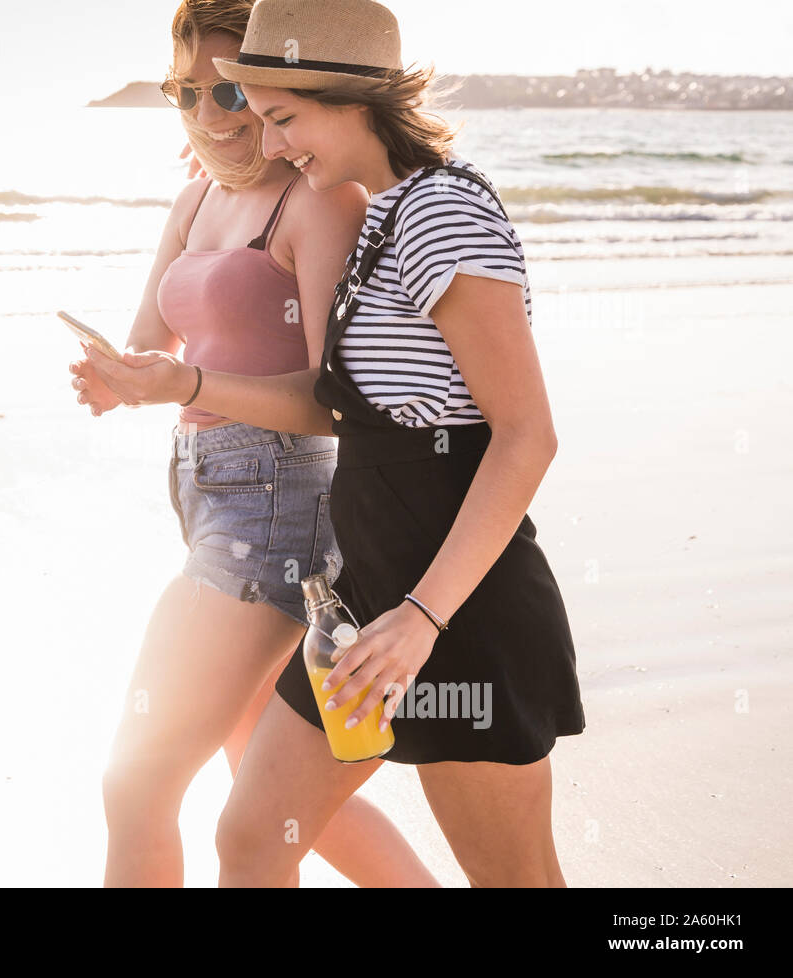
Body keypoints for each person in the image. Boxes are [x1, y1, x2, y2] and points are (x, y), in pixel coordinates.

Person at [87, 0, 586, 887]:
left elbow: (527, 436)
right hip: (362, 597)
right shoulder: (378, 217)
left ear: (353, 97)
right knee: (250, 838)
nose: (271, 143)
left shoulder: (442, 213)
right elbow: (334, 394)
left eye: (282, 117)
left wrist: (421, 620)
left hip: (454, 612)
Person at [73, 0, 438, 888]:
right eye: (187, 93)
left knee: (136, 780)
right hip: (201, 491)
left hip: (280, 503)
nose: (210, 115)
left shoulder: (318, 201)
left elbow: (333, 401)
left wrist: (188, 385)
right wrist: (118, 379)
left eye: (233, 91)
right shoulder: (194, 196)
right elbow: (152, 343)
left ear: (275, 86)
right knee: (273, 800)